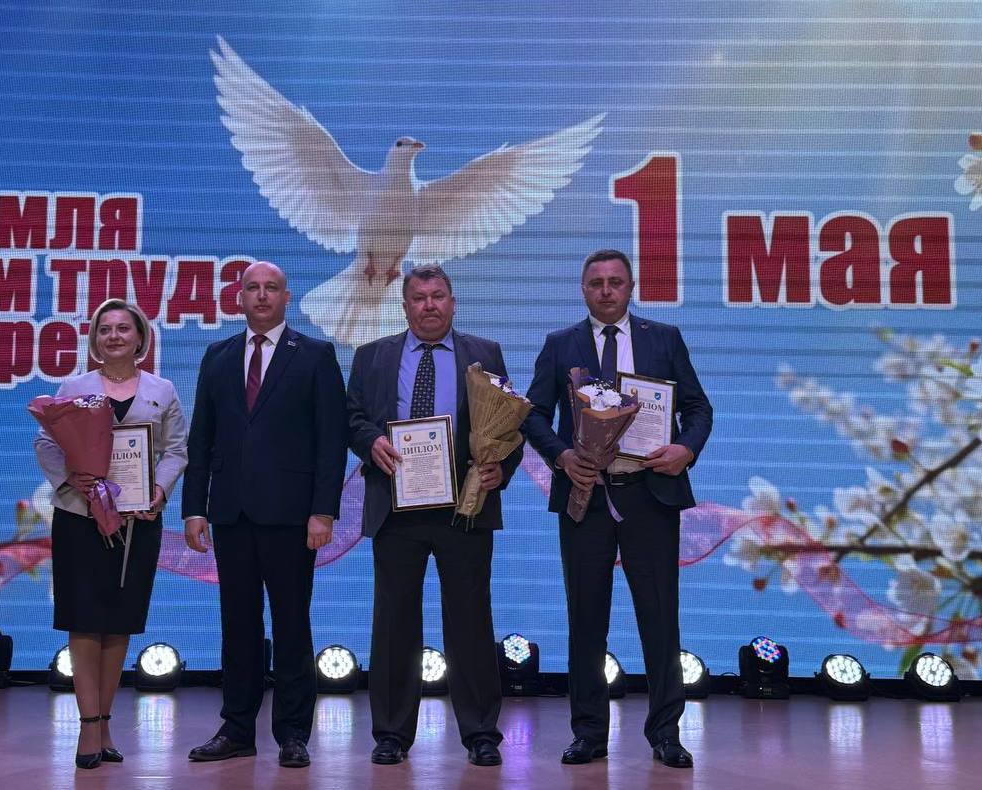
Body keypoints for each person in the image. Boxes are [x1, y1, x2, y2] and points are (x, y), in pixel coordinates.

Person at [523, 249, 712, 769]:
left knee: (659, 616)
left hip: (650, 495)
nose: (606, 290)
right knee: (586, 618)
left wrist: (685, 449)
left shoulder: (664, 339)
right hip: (585, 495)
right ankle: (588, 733)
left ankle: (666, 733)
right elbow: (533, 414)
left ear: (631, 287)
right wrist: (561, 456)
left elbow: (698, 407)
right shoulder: (560, 344)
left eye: (615, 282)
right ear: (583, 289)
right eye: (596, 283)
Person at [346, 265, 522, 768]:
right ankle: (391, 734)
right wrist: (370, 442)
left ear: (453, 302)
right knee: (394, 623)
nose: (429, 305)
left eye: (438, 296)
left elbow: (509, 424)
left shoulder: (485, 354)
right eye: (419, 297)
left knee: (470, 621)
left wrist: (501, 470)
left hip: (464, 508)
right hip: (396, 506)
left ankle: (481, 733)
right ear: (404, 306)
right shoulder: (372, 356)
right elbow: (352, 416)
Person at [181, 261, 347, 769]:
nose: (261, 296)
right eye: (251, 288)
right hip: (230, 513)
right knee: (238, 624)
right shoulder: (218, 356)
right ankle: (236, 727)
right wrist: (194, 509)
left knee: (292, 623)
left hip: (292, 515)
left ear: (286, 297)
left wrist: (324, 511)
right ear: (239, 298)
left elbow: (332, 441)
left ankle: (293, 733)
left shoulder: (315, 355)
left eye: (271, 288)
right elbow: (201, 439)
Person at [34, 298, 188, 770]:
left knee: (119, 621)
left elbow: (176, 450)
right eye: (105, 330)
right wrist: (72, 481)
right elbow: (47, 443)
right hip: (80, 517)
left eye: (123, 329)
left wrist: (158, 492)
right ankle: (86, 725)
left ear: (140, 338)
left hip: (138, 521)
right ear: (94, 340)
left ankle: (104, 723)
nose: (114, 336)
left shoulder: (163, 389)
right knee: (84, 619)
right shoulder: (74, 388)